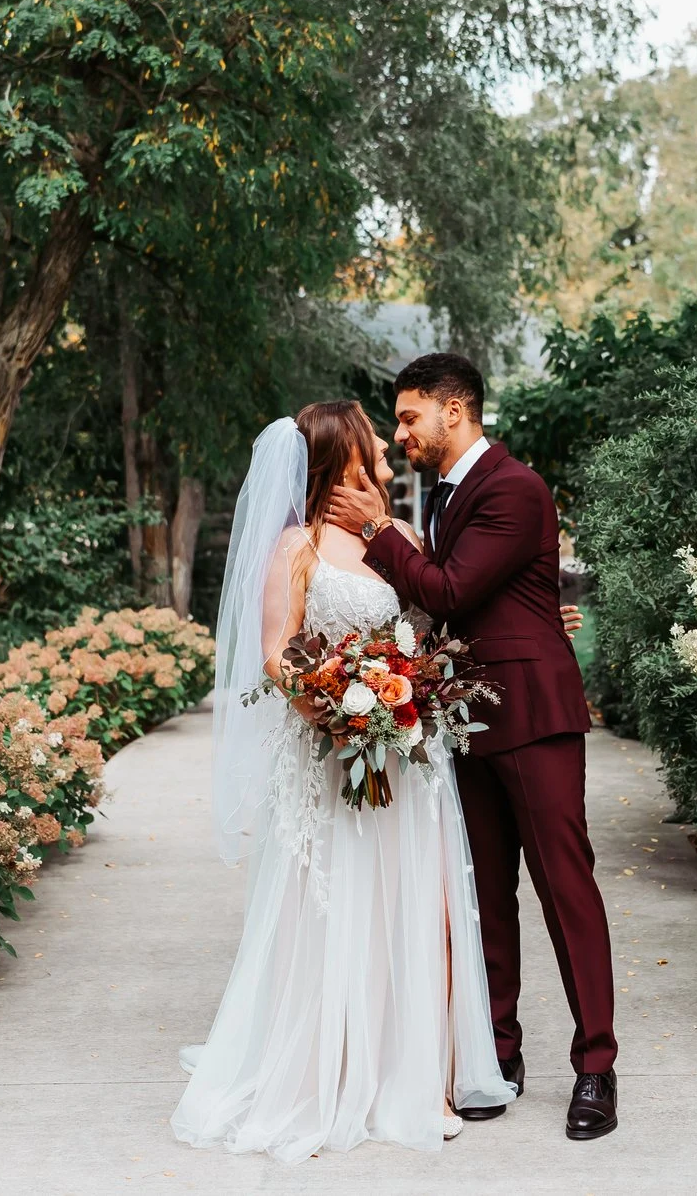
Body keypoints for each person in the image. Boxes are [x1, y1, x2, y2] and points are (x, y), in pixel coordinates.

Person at [172, 403, 516, 1162]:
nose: (389, 458)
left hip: (408, 761)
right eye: (374, 448)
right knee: (340, 911)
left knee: (421, 910)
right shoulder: (296, 546)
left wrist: (411, 689)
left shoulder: (393, 539)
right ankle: (334, 1072)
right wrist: (342, 711)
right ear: (343, 460)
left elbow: (430, 628)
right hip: (339, 761)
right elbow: (278, 653)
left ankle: (421, 1077)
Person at [324, 351, 621, 1141]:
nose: (402, 431)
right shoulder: (447, 495)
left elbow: (452, 587)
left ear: (454, 410)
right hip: (468, 721)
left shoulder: (515, 488)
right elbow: (455, 605)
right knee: (486, 893)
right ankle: (498, 1052)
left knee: (565, 888)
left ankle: (596, 1066)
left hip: (533, 713)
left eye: (410, 415)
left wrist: (378, 531)